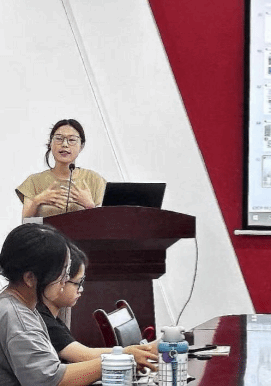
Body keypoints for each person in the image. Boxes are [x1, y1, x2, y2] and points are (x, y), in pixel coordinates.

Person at [0, 223, 102, 385]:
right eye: (61, 272)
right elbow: (50, 380)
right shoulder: (17, 318)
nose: (65, 280)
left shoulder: (17, 306)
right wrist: (114, 362)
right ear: (30, 278)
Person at [37, 242, 157, 370]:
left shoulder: (53, 318)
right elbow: (84, 356)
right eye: (78, 282)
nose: (81, 289)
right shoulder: (43, 321)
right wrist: (133, 353)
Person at [16, 119, 106, 218]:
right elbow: (26, 223)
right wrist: (37, 201)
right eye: (59, 139)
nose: (65, 144)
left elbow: (106, 222)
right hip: (44, 229)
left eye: (72, 140)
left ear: (81, 146)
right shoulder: (34, 181)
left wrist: (90, 206)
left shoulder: (95, 180)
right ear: (50, 143)